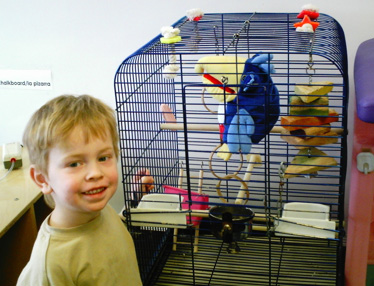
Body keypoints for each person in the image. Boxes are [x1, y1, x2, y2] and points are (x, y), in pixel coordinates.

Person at [17, 94, 142, 285]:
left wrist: (135, 198)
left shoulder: (99, 211)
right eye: (74, 163)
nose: (95, 173)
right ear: (43, 179)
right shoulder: (50, 265)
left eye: (103, 158)